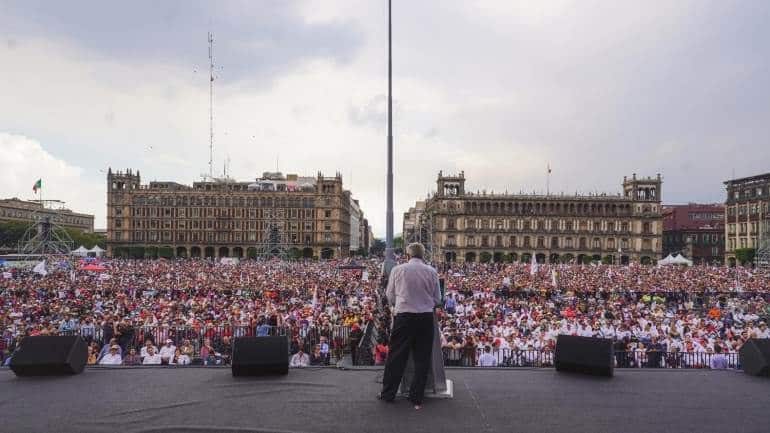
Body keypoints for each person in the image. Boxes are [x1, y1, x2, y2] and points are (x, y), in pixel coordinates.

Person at [378, 243, 441, 410]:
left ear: (407, 255)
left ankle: (388, 393)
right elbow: (437, 299)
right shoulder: (432, 271)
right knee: (422, 358)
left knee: (396, 356)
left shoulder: (398, 270)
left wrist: (397, 304)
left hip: (404, 316)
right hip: (425, 317)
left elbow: (389, 295)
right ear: (423, 255)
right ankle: (416, 396)